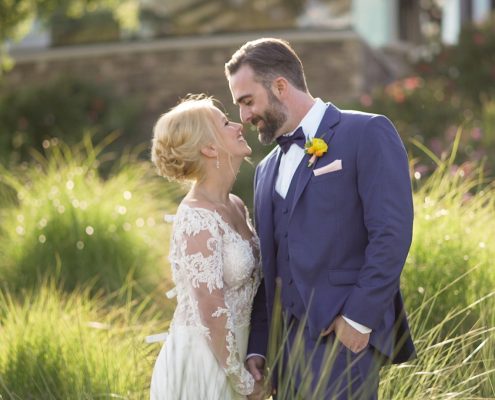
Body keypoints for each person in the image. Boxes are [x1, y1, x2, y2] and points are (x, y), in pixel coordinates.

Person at [225, 38, 416, 399]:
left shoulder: (366, 132)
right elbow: (272, 265)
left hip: (345, 337)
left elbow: (391, 232)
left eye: (247, 101)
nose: (244, 117)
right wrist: (260, 346)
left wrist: (359, 317)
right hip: (285, 351)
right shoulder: (266, 170)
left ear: (280, 85)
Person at [149, 94, 266, 399]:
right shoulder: (197, 218)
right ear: (210, 148)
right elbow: (211, 309)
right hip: (204, 366)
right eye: (226, 123)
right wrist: (242, 382)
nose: (239, 125)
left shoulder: (237, 206)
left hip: (241, 356)